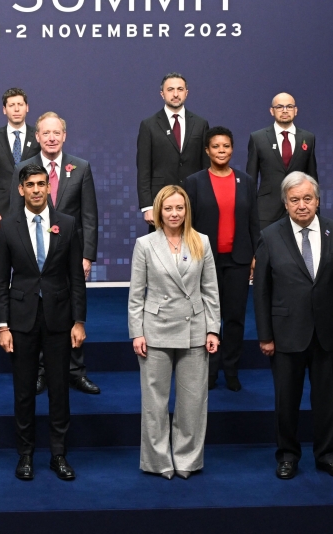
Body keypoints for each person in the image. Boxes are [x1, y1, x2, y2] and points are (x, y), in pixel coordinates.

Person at [255, 172, 333, 480]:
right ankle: (287, 455)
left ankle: (327, 454)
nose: (302, 205)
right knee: (286, 401)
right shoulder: (270, 236)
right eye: (295, 200)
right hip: (286, 333)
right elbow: (261, 291)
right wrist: (265, 336)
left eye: (307, 198)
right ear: (285, 203)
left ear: (318, 200)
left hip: (328, 331)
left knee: (327, 400)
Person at [0, 164, 87, 481]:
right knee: (23, 391)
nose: (36, 189)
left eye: (41, 184)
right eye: (30, 184)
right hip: (21, 320)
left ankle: (58, 454)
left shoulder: (68, 224)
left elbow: (76, 277)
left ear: (49, 188)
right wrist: (3, 325)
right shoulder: (8, 227)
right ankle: (26, 455)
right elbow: (0, 281)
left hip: (60, 319)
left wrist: (79, 321)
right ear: (20, 189)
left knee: (59, 389)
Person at [128, 185, 220, 480]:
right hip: (155, 330)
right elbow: (136, 295)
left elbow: (210, 291)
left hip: (194, 328)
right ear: (158, 211)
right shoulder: (145, 244)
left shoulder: (201, 242)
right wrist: (136, 333)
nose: (174, 213)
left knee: (192, 402)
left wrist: (213, 329)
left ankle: (187, 460)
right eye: (168, 208)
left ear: (187, 210)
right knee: (154, 403)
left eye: (179, 208)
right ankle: (157, 462)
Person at [11, 112, 100, 395]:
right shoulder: (24, 168)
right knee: (39, 313)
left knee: (72, 313)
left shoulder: (81, 167)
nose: (51, 137)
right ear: (36, 137)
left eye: (56, 133)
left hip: (68, 257)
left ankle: (75, 371)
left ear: (64, 136)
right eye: (45, 133)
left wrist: (87, 255)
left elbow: (89, 216)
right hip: (36, 257)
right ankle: (41, 371)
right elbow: (16, 214)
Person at [184, 126, 260, 391]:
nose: (221, 151)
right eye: (216, 146)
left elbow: (253, 221)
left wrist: (254, 255)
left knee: (235, 316)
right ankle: (210, 371)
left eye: (226, 146)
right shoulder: (194, 182)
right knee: (206, 318)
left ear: (232, 149)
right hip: (206, 260)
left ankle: (231, 369)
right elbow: (187, 223)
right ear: (207, 150)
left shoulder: (246, 181)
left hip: (238, 259)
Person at [136, 73, 210, 229]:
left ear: (186, 93)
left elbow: (205, 168)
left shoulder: (200, 124)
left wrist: (205, 201)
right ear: (162, 93)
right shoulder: (149, 125)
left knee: (193, 251)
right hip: (161, 204)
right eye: (170, 89)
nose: (175, 94)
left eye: (180, 89)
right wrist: (147, 206)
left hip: (193, 203)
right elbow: (143, 169)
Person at [246, 93, 318, 229]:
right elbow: (251, 179)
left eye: (289, 106)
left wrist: (315, 211)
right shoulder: (258, 138)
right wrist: (250, 212)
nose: (285, 110)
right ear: (271, 111)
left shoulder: (308, 138)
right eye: (280, 107)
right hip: (266, 210)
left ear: (296, 111)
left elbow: (312, 176)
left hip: (300, 209)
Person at [0, 88, 41, 234]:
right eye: (11, 105)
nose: (16, 109)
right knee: (4, 254)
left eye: (20, 104)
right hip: (2, 210)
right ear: (4, 109)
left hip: (34, 206)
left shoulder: (38, 136)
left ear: (27, 107)